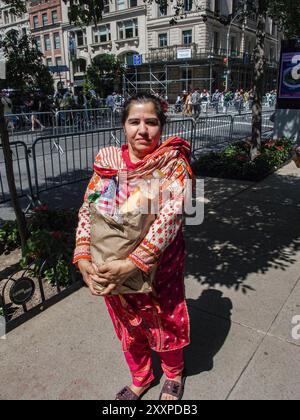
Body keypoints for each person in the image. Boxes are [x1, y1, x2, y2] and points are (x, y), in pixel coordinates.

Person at [74, 93, 193, 400]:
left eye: (151, 122)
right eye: (134, 122)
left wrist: (134, 262)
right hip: (111, 265)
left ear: (161, 126)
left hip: (160, 265)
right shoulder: (110, 164)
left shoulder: (172, 164)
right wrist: (84, 254)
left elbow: (172, 215)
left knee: (166, 319)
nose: (143, 130)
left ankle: (173, 374)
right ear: (124, 126)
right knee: (127, 323)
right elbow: (90, 208)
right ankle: (141, 376)